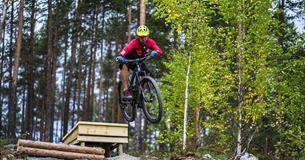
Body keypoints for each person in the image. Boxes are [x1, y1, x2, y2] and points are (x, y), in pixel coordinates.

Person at [116, 25, 163, 100]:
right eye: (141, 37)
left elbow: (159, 51)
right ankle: (125, 90)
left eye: (145, 36)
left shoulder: (150, 42)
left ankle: (141, 92)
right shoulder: (134, 42)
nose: (143, 38)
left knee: (146, 73)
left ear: (147, 35)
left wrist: (155, 52)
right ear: (137, 36)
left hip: (139, 61)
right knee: (124, 66)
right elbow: (126, 49)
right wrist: (120, 56)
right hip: (129, 59)